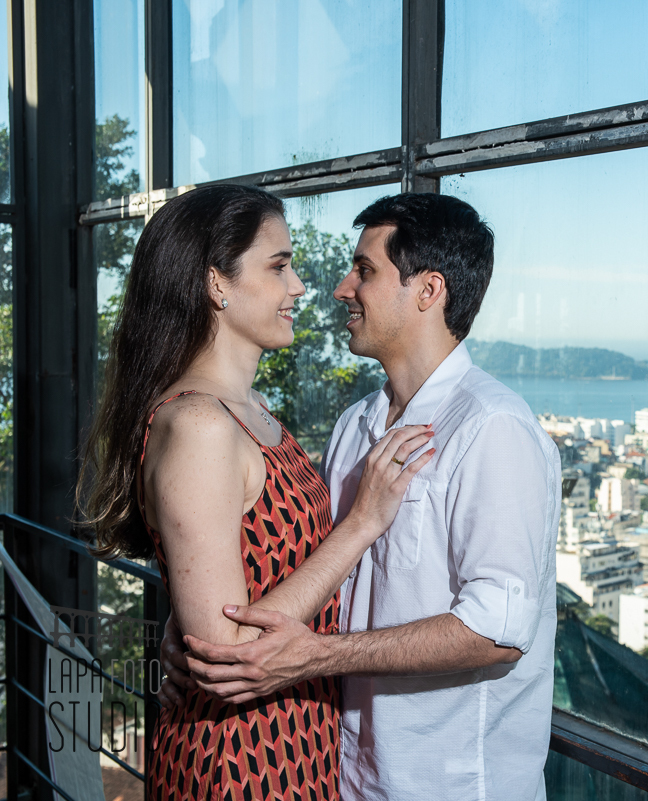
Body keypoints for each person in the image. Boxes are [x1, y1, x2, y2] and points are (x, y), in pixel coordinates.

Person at [159, 193, 562, 799]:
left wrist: (318, 657)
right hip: (341, 773)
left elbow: (498, 630)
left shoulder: (492, 428)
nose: (342, 287)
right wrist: (196, 615)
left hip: (448, 786)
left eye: (365, 271)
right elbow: (306, 560)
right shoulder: (354, 426)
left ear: (429, 291)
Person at [78, 184, 434, 800]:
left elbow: (240, 576)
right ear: (217, 283)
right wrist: (361, 524)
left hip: (298, 739)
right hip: (240, 759)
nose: (299, 286)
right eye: (278, 266)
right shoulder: (200, 426)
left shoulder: (249, 411)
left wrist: (185, 621)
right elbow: (227, 652)